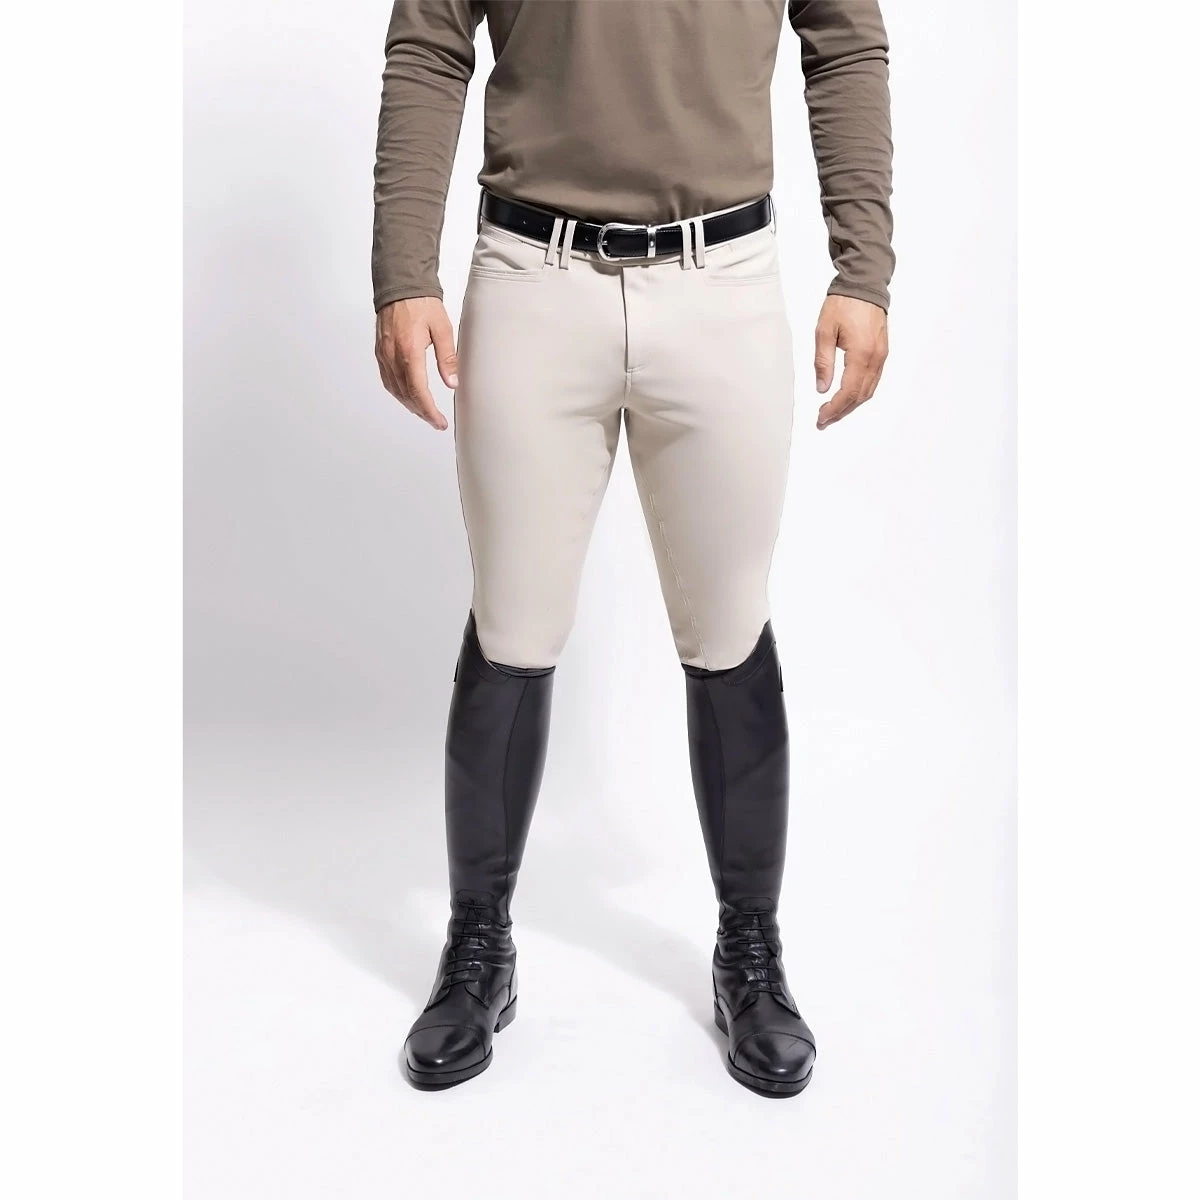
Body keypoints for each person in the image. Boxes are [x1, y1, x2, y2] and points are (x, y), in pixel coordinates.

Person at [372, 0, 894, 1097]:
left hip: (722, 280)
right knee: (512, 625)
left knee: (729, 626)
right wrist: (403, 271)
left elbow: (843, 35)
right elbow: (429, 36)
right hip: (532, 273)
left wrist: (863, 269)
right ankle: (479, 948)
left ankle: (750, 952)